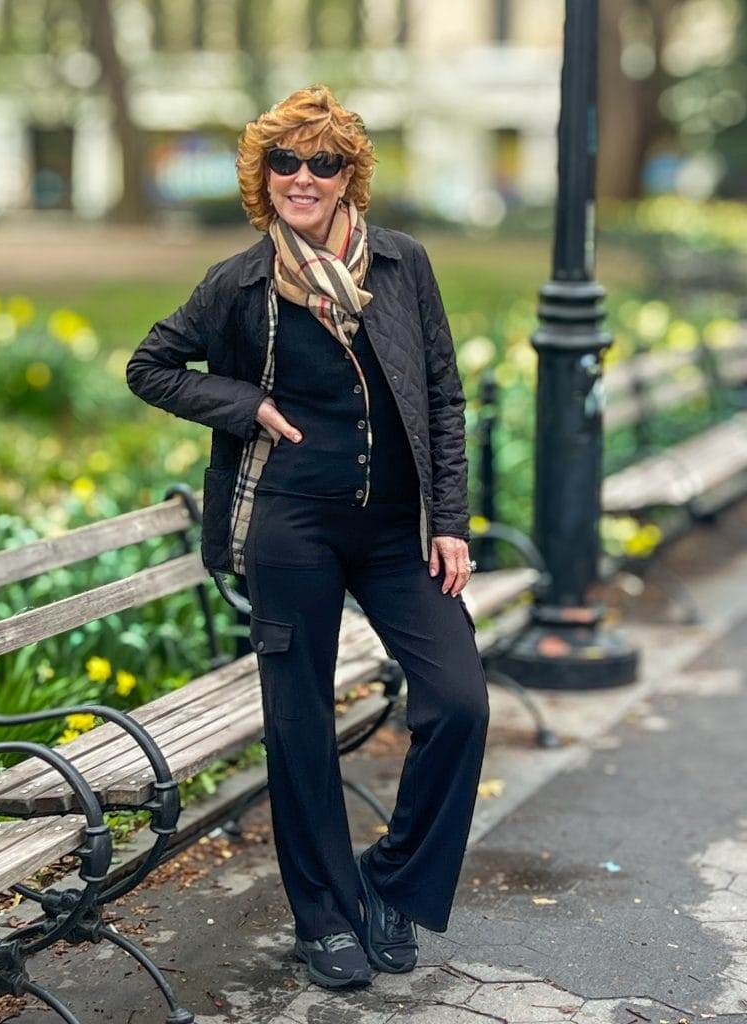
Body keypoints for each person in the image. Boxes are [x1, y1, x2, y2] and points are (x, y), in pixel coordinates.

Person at [125, 84, 489, 991]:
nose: (302, 177)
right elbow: (150, 366)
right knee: (298, 725)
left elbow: (443, 396)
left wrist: (450, 521)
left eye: (322, 162)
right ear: (264, 177)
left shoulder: (402, 266)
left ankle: (391, 887)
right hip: (291, 527)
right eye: (284, 162)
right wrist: (245, 402)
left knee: (458, 699)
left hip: (394, 532)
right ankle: (323, 917)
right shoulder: (240, 283)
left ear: (348, 176)